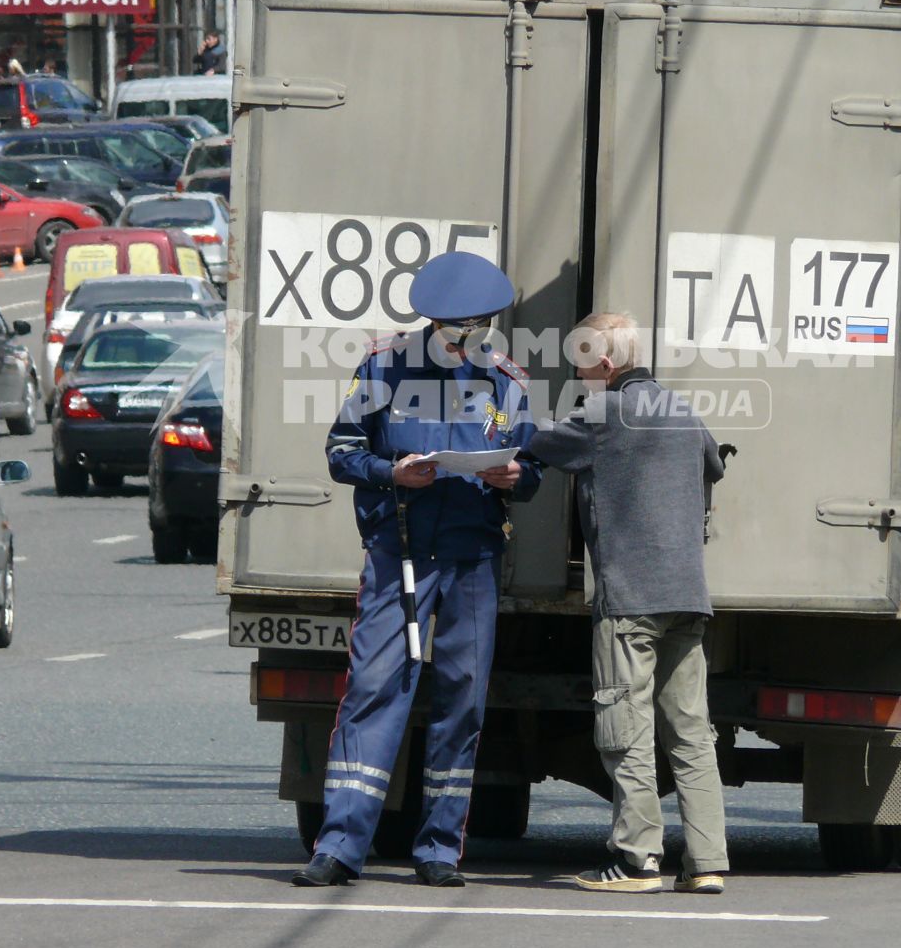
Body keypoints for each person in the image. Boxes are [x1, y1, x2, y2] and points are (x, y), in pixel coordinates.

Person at [293, 251, 544, 889]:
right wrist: (391, 473)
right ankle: (340, 847)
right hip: (397, 553)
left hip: (473, 558)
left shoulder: (506, 380)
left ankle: (438, 851)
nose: (471, 339)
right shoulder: (382, 366)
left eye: (481, 326)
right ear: (436, 323)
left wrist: (515, 475)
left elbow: (532, 466)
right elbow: (342, 450)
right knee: (375, 689)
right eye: (461, 328)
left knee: (461, 699)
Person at [527, 313, 729, 894]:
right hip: (688, 596)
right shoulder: (681, 411)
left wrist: (495, 414)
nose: (579, 376)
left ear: (606, 364)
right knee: (691, 733)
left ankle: (637, 860)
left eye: (582, 366)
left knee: (626, 727)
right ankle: (707, 862)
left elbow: (537, 441)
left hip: (630, 599)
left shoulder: (603, 413)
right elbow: (713, 466)